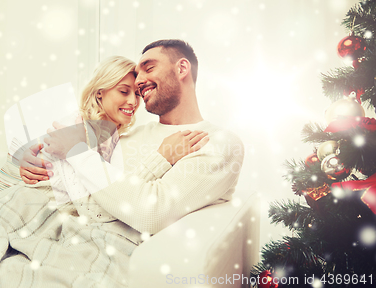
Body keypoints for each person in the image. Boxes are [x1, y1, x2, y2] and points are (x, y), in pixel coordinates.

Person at [0, 54, 208, 288]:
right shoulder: (92, 128)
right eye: (124, 92)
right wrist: (25, 159)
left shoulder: (118, 135)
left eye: (137, 93)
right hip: (24, 208)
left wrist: (25, 156)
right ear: (100, 92)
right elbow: (69, 172)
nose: (133, 102)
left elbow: (96, 183)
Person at [20, 39, 245, 236]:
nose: (139, 81)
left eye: (149, 68)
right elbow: (88, 197)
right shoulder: (123, 136)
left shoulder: (219, 142)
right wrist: (30, 159)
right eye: (129, 84)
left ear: (182, 68)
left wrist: (75, 152)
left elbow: (151, 214)